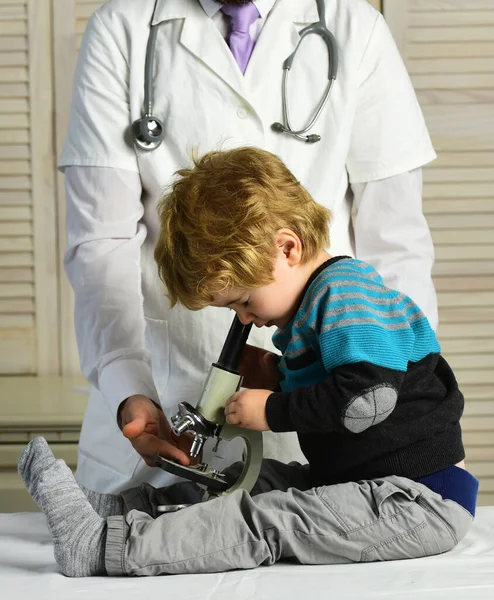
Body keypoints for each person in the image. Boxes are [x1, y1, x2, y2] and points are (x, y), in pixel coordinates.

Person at [19, 147, 478, 577]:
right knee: (241, 483)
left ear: (288, 248)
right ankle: (123, 509)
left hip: (417, 498)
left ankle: (105, 548)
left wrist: (270, 410)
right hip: (358, 480)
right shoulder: (317, 306)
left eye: (243, 301)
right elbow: (343, 381)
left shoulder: (345, 292)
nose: (245, 319)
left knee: (269, 519)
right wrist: (280, 377)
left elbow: (365, 400)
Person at [60, 0, 440, 494]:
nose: (246, 316)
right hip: (163, 401)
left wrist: (391, 415)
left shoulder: (356, 28)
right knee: (138, 539)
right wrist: (128, 389)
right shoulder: (123, 28)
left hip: (330, 427)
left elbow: (398, 248)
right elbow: (99, 247)